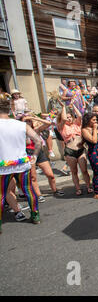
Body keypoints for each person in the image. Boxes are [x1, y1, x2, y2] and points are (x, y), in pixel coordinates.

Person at [0, 94, 42, 233]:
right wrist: (34, 157)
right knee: (28, 190)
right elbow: (37, 141)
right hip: (22, 165)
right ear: (11, 109)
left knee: (1, 194)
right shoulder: (21, 125)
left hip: (3, 167)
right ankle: (35, 216)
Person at [22, 115, 64, 200]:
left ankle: (55, 190)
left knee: (50, 174)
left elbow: (48, 123)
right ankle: (38, 195)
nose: (28, 122)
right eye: (25, 121)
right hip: (28, 154)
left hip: (39, 153)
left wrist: (34, 118)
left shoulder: (35, 130)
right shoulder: (20, 132)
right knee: (33, 177)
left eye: (29, 121)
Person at [56, 100, 92, 196]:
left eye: (70, 117)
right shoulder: (61, 127)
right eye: (67, 118)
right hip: (70, 151)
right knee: (74, 171)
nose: (69, 119)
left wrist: (73, 106)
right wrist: (63, 106)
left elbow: (80, 116)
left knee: (84, 170)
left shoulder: (76, 124)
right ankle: (78, 188)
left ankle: (88, 186)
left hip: (80, 150)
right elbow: (63, 119)